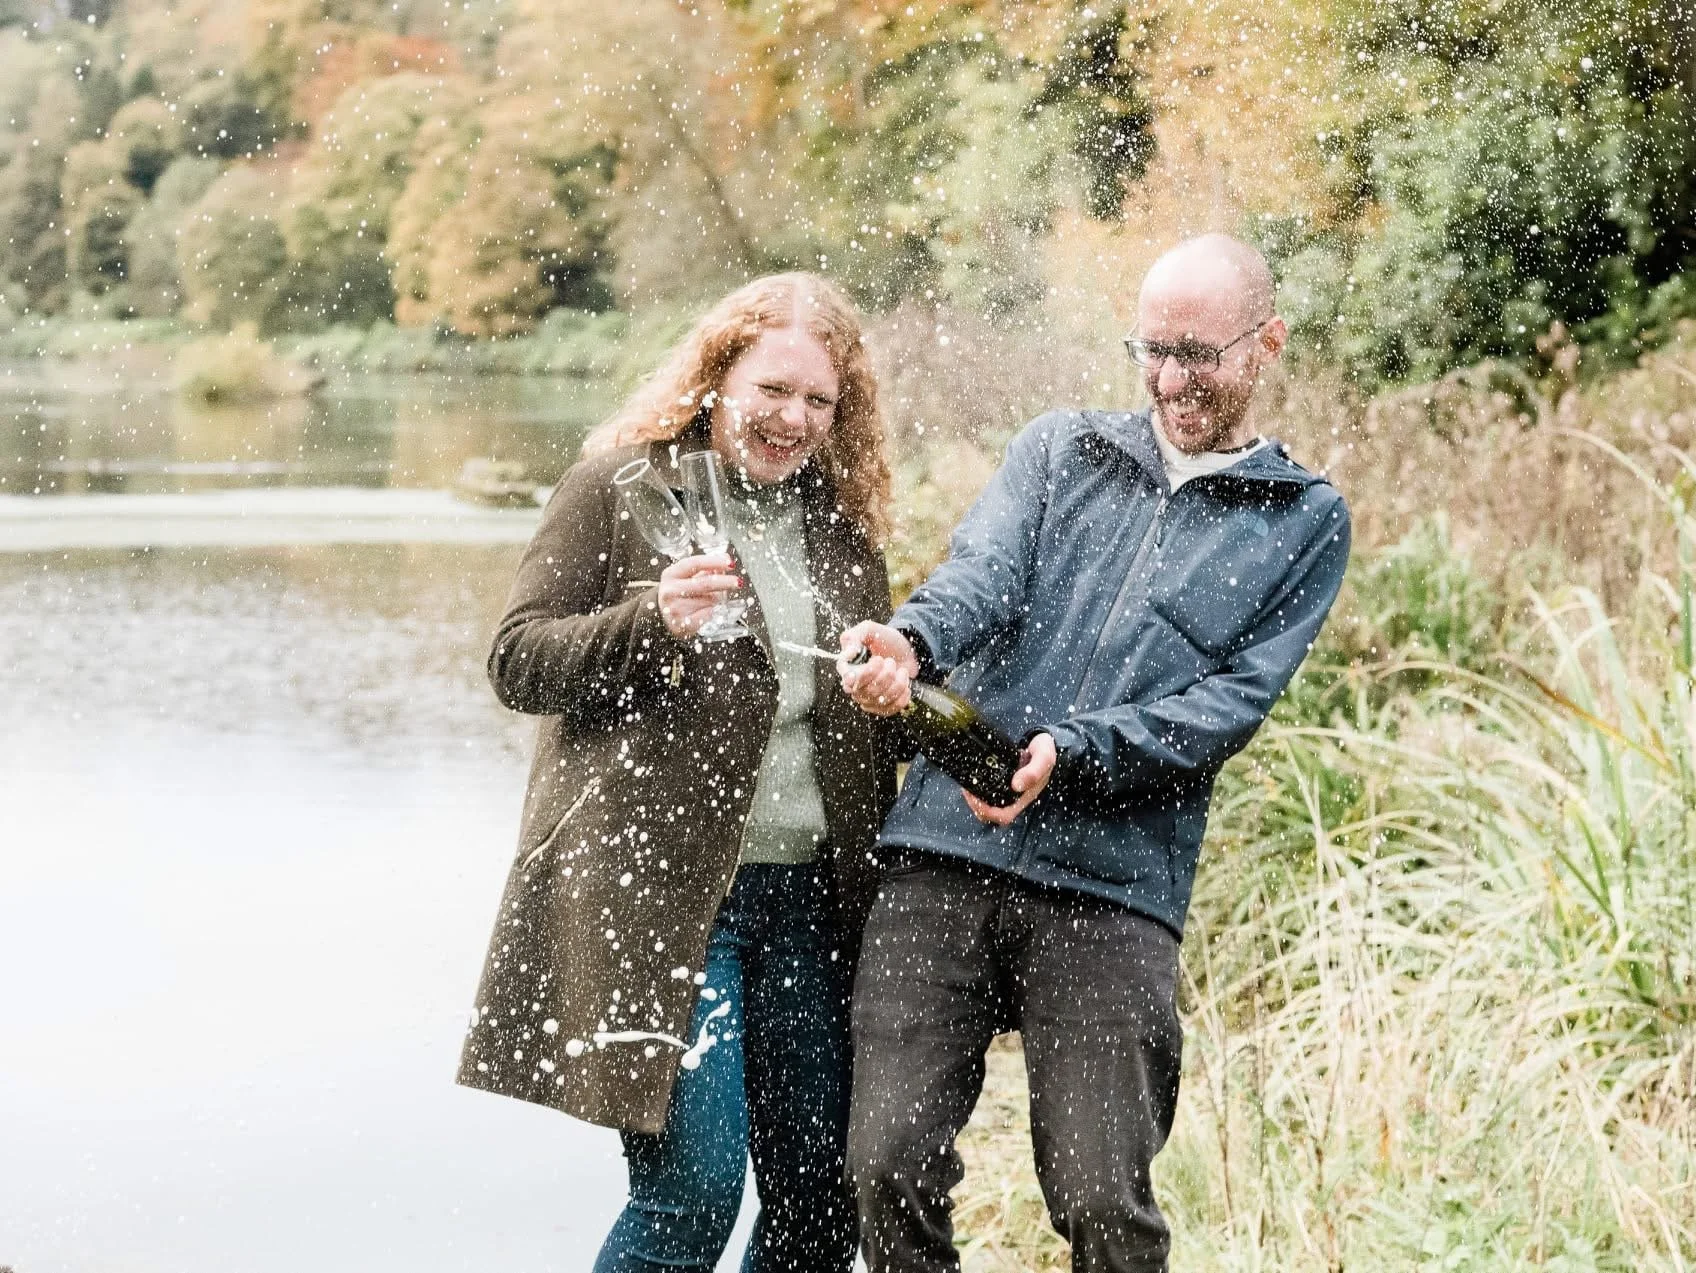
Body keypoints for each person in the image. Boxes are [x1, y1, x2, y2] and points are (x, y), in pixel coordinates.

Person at [837, 234, 1351, 1271]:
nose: (1169, 380)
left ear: (1267, 346)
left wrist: (1066, 754)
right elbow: (975, 580)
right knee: (884, 1165)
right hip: (943, 853)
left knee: (1102, 1202)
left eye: (1198, 354)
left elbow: (1225, 710)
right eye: (1151, 349)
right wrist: (914, 641)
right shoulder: (1059, 447)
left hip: (1114, 892)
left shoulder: (1302, 519)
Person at [456, 273, 898, 1273]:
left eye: (818, 401)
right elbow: (517, 660)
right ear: (715, 376)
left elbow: (855, 706)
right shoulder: (619, 490)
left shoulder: (838, 526)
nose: (792, 418)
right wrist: (649, 621)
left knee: (822, 1201)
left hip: (814, 906)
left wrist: (894, 695)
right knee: (691, 1194)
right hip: (666, 902)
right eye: (772, 389)